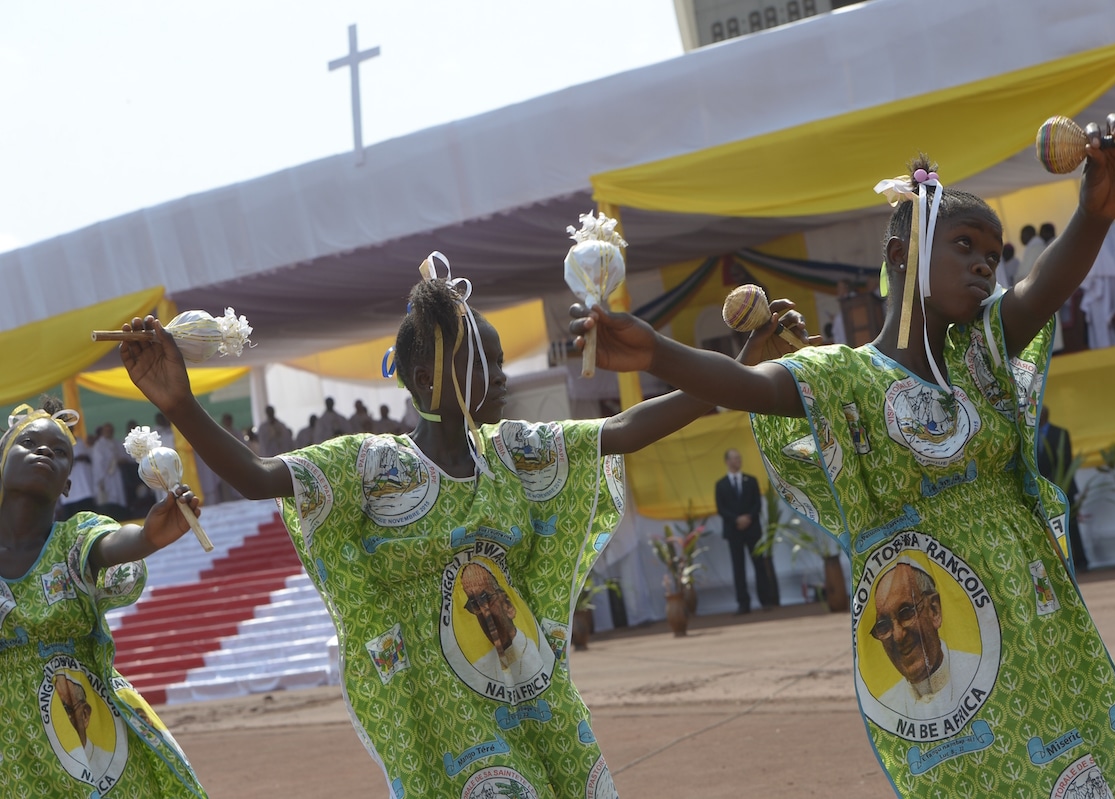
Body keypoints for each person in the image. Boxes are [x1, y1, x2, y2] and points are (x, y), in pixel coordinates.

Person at [574, 119, 1115, 796]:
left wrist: (1095, 212)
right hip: (947, 643)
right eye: (964, 246)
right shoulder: (842, 376)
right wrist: (659, 353)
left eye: (994, 252)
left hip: (1040, 617)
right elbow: (747, 385)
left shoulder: (982, 350)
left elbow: (1043, 288)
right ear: (901, 254)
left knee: (1086, 760)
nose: (987, 264)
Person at [117, 256, 731, 798]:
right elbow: (254, 474)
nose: (502, 376)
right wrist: (180, 405)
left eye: (498, 360)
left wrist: (735, 376)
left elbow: (623, 430)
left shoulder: (512, 452)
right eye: (483, 363)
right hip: (441, 704)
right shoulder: (371, 464)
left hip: (531, 686)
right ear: (429, 379)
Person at [0, 398, 206, 797]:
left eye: (60, 452)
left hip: (90, 736)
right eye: (28, 443)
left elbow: (111, 545)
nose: (45, 451)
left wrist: (147, 537)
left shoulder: (75, 539)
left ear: (68, 484)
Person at [869, 560, 980, 721]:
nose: (898, 636)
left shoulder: (979, 673)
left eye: (906, 613)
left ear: (934, 610)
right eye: (883, 626)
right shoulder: (886, 707)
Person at [714, 448, 778, 614]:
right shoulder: (721, 485)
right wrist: (736, 519)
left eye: (739, 458)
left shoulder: (751, 480)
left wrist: (747, 518)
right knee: (738, 567)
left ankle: (765, 600)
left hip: (752, 530)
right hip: (733, 531)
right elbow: (721, 509)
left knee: (759, 565)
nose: (737, 461)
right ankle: (743, 603)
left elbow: (757, 504)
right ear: (727, 462)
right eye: (734, 458)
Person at [1037, 406, 1089, 571]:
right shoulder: (1030, 436)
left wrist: (1054, 481)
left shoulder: (1060, 433)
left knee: (1071, 526)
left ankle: (1081, 561)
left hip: (1063, 486)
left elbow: (1065, 460)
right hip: (1042, 488)